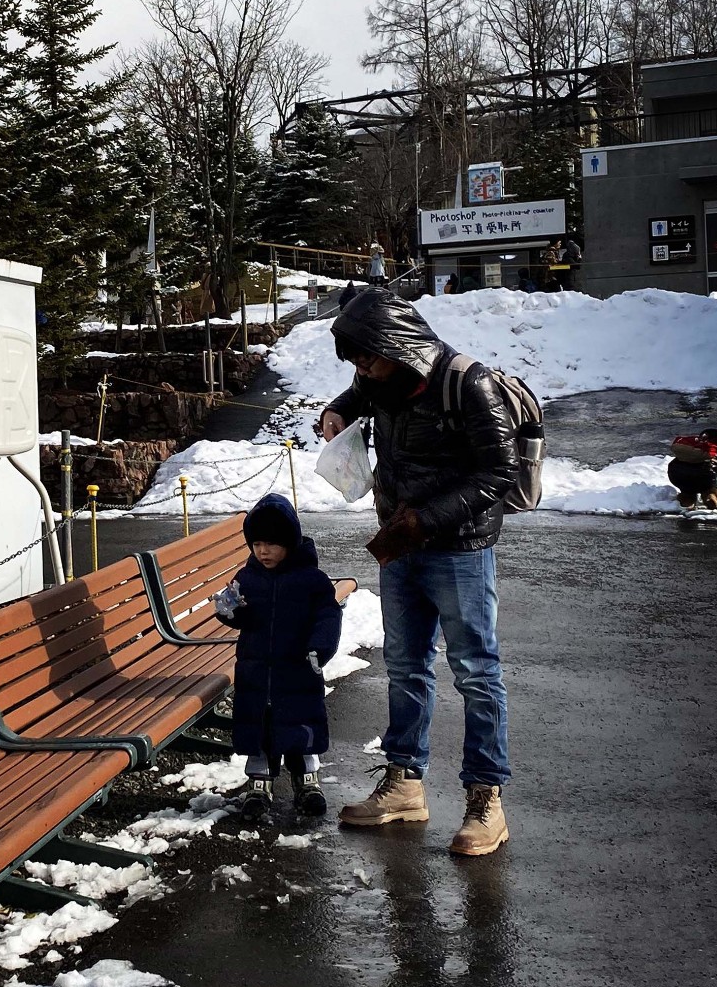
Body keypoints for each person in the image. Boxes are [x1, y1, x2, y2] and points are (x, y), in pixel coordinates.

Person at [318, 286, 520, 856]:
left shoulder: (467, 382)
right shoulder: (378, 376)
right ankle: (405, 783)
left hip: (458, 548)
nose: (363, 369)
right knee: (405, 667)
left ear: (400, 344)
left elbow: (498, 473)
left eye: (369, 357)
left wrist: (427, 521)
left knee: (476, 672)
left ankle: (487, 799)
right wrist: (337, 410)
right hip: (400, 543)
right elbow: (355, 394)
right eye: (355, 360)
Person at [214, 494, 342, 816]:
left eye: (271, 543)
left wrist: (320, 647)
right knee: (260, 730)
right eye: (257, 543)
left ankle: (307, 781)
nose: (263, 551)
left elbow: (328, 615)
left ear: (289, 542)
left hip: (297, 670)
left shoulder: (311, 580)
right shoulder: (248, 578)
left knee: (299, 728)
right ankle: (259, 784)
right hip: (256, 671)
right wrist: (229, 611)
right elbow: (244, 617)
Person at [666, 431, 717, 510]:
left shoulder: (694, 445)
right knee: (709, 490)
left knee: (687, 491)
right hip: (704, 477)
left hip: (677, 474)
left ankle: (686, 501)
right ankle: (711, 497)